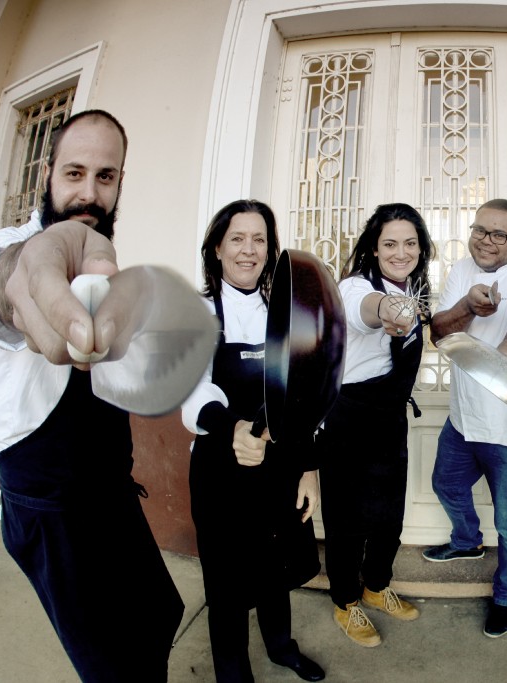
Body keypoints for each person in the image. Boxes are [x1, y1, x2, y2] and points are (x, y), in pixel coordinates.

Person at [0, 110, 184, 681]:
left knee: (159, 617)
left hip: (107, 488)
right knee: (112, 666)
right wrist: (31, 275)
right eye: (75, 172)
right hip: (48, 501)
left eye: (106, 177)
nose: (89, 192)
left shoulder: (104, 266)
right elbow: (8, 288)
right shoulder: (4, 248)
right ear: (47, 172)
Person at [180, 200, 324, 682]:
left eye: (259, 239)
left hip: (276, 467)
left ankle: (281, 647)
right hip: (221, 470)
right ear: (217, 247)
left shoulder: (281, 315)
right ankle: (233, 672)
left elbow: (300, 397)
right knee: (225, 583)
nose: (248, 250)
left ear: (270, 249)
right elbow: (191, 392)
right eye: (237, 238)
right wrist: (231, 430)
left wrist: (307, 467)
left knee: (274, 568)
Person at [422, 198, 507, 638]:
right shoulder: (462, 269)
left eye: (500, 234)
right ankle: (466, 542)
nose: (487, 241)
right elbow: (439, 331)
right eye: (480, 230)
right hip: (464, 418)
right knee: (446, 484)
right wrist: (467, 307)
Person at [317, 202, 433, 647]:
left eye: (409, 242)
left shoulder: (418, 287)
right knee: (348, 520)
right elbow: (368, 309)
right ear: (374, 247)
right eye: (389, 243)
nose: (400, 252)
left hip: (390, 418)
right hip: (349, 416)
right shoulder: (353, 288)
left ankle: (376, 585)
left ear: (421, 247)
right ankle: (346, 602)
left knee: (388, 516)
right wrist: (386, 308)